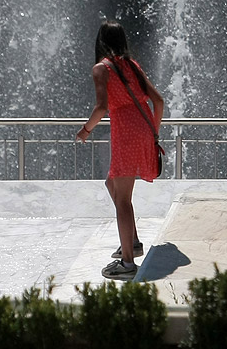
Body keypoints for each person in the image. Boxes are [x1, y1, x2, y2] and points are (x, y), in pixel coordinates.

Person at [76, 21, 164, 280]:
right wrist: (153, 131)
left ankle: (127, 263)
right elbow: (158, 101)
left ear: (100, 42)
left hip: (125, 130)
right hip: (143, 127)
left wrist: (86, 130)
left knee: (123, 199)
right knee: (111, 183)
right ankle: (132, 241)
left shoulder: (101, 69)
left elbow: (101, 107)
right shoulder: (132, 65)